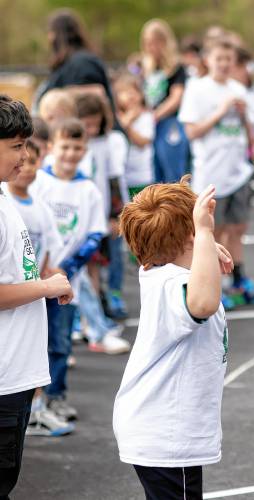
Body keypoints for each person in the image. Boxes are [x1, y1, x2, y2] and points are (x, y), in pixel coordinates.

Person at [114, 181, 232, 500]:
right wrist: (205, 234)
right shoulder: (174, 284)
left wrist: (203, 246)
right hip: (166, 432)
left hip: (157, 427)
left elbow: (178, 259)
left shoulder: (158, 270)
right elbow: (203, 303)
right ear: (190, 237)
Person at [0, 94, 73, 500]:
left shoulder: (5, 197)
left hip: (15, 372)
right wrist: (46, 287)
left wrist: (47, 277)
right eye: (15, 146)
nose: (25, 156)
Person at [179, 37, 254, 308]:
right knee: (211, 232)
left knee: (237, 227)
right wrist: (220, 112)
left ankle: (237, 277)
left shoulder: (239, 89)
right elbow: (191, 131)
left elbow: (252, 132)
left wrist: (242, 116)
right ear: (207, 60)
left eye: (228, 60)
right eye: (219, 59)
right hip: (211, 172)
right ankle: (210, 282)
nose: (224, 64)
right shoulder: (197, 89)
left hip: (237, 171)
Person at [30, 118, 109, 420]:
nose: (71, 153)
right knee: (32, 341)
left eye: (78, 147)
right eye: (65, 146)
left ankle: (56, 396)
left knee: (60, 343)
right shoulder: (38, 181)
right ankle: (32, 401)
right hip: (34, 281)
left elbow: (93, 236)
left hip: (65, 284)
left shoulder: (88, 190)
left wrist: (66, 268)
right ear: (51, 147)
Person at [74, 93, 129, 321]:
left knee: (96, 266)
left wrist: (116, 215)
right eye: (86, 124)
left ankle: (94, 314)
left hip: (99, 216)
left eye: (95, 124)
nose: (91, 129)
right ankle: (78, 315)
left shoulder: (106, 144)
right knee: (78, 269)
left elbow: (113, 179)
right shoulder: (73, 145)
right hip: (77, 218)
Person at [40, 9, 117, 120]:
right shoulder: (68, 62)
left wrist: (61, 94)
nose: (49, 37)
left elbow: (96, 94)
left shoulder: (83, 62)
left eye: (51, 32)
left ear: (59, 34)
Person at [140, 19, 191, 183]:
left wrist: (155, 115)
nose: (151, 48)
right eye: (148, 43)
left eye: (155, 43)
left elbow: (176, 98)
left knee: (173, 174)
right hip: (150, 125)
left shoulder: (176, 68)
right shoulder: (148, 68)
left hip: (170, 122)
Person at [114, 75, 155, 198]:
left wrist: (127, 125)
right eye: (125, 92)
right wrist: (126, 120)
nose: (130, 96)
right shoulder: (117, 117)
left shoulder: (146, 117)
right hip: (123, 177)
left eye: (134, 91)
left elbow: (143, 142)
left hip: (142, 177)